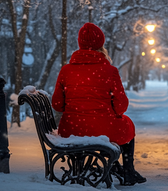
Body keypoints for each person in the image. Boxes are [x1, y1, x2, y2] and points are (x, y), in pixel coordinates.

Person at [52, 22, 146, 186]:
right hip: (104, 128)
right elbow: (121, 107)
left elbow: (57, 104)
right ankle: (127, 170)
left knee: (122, 124)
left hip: (72, 129)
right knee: (128, 124)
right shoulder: (110, 71)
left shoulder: (66, 70)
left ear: (80, 44)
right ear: (101, 45)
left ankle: (115, 167)